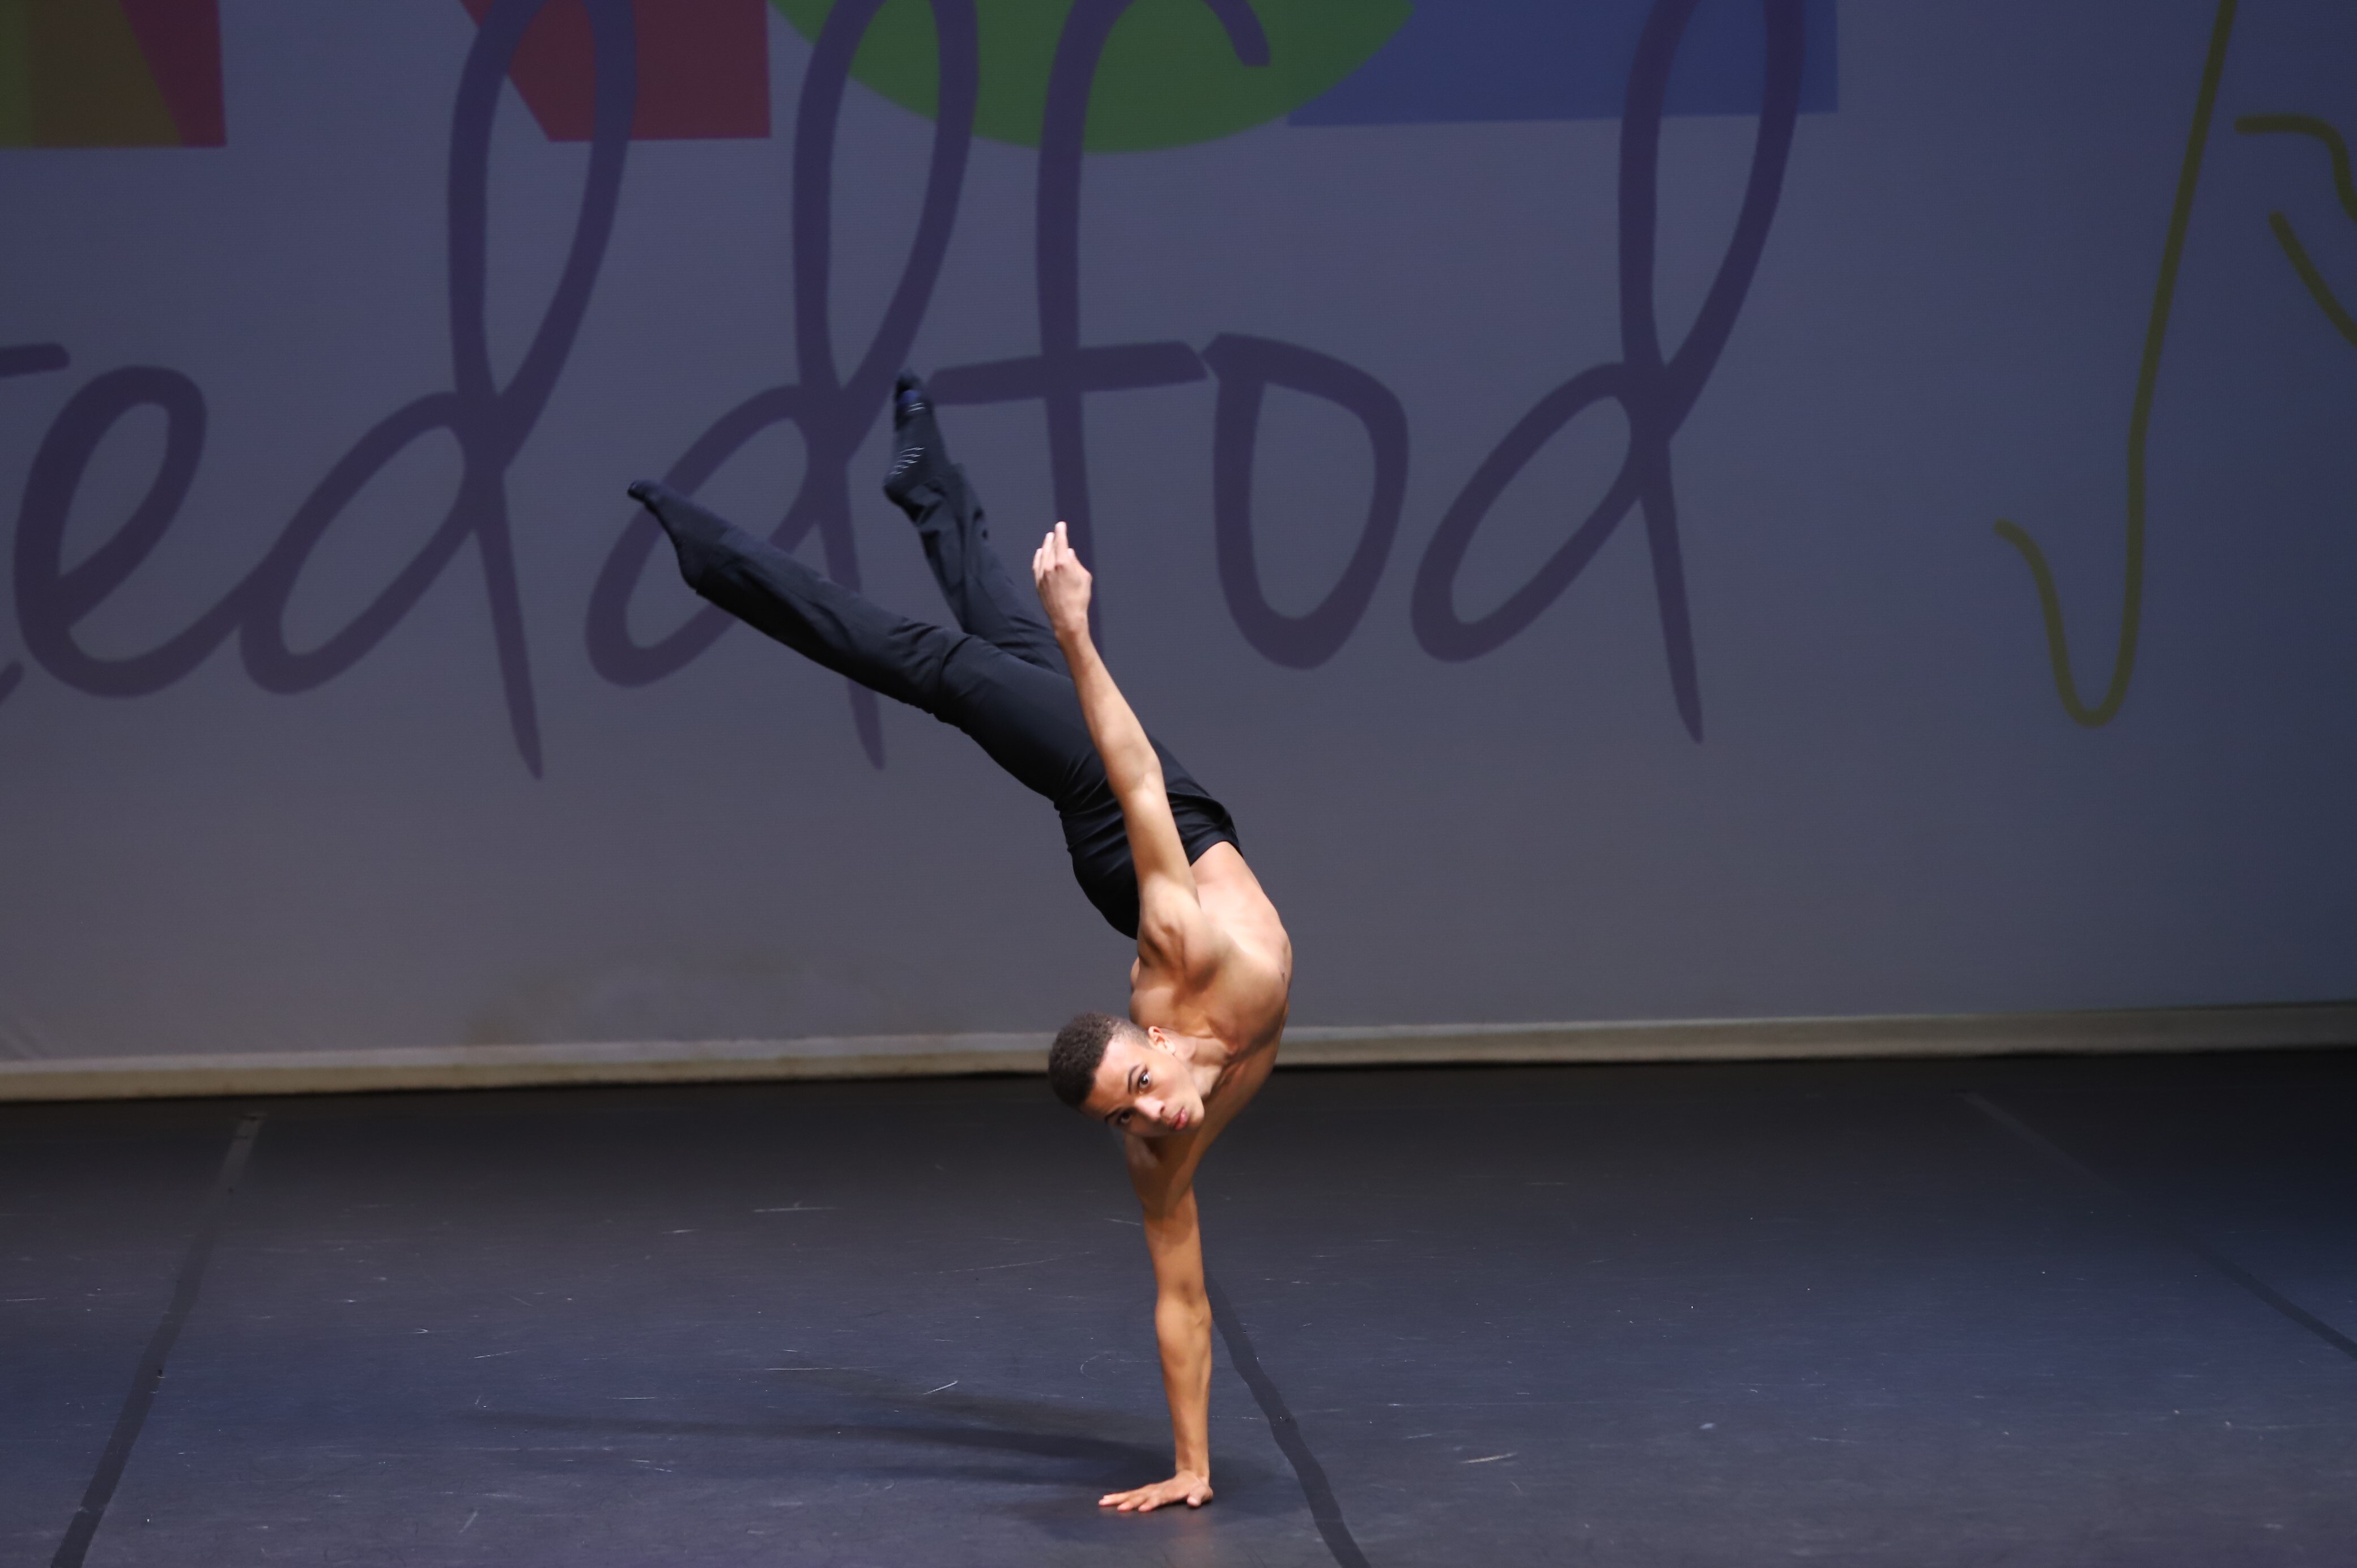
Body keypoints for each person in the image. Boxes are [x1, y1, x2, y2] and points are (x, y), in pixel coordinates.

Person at [626, 374, 1292, 1514]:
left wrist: (1087, 637)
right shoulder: (1179, 1062)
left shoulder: (1186, 959)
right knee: (989, 643)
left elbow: (1128, 771)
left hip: (1118, 804)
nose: (1149, 1119)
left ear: (1146, 1038)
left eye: (1134, 1096)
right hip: (1134, 822)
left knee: (958, 659)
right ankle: (858, 501)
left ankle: (800, 521)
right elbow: (1181, 1296)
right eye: (1131, 1114)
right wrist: (1190, 1467)